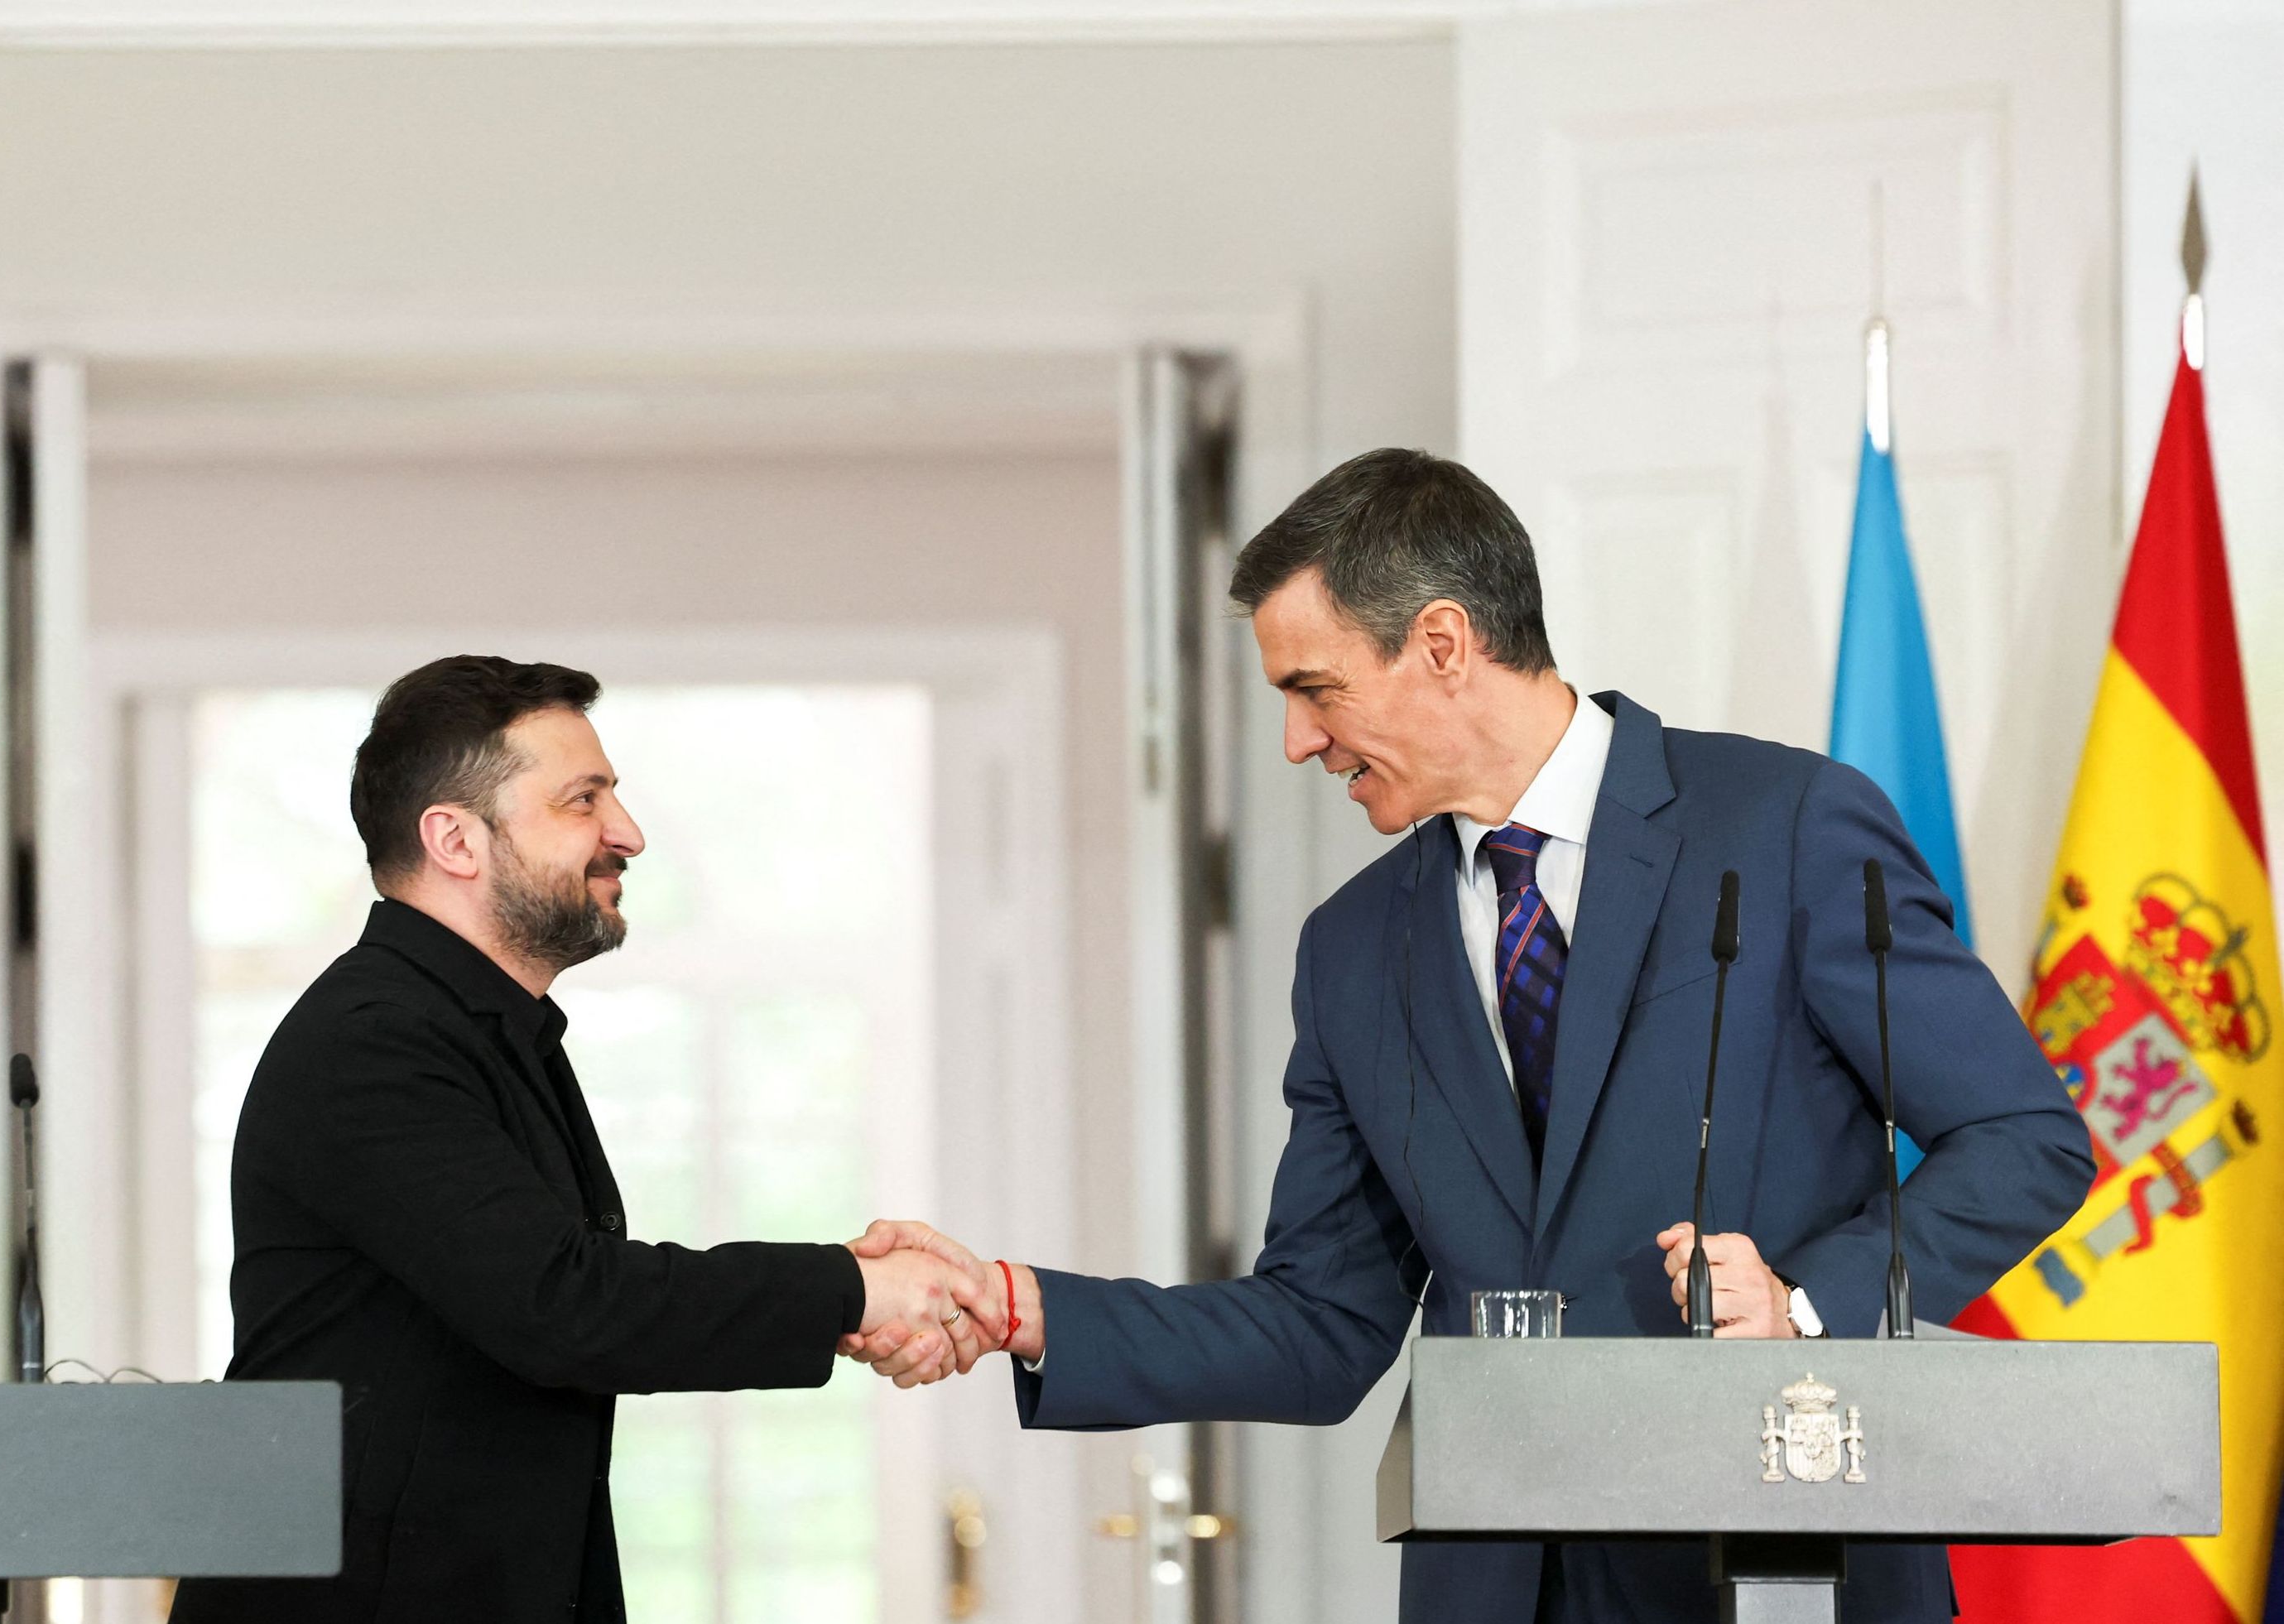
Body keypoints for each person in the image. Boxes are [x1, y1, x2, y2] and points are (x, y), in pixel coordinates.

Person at [849, 449, 2094, 1623]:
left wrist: (1807, 1307)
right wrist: (1018, 1306)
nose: (1297, 741)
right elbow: (1320, 1322)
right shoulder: (1350, 949)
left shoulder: (1785, 826)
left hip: (1773, 1564)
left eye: (1314, 689)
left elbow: (2023, 1139)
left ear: (1441, 643)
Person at [169, 656, 984, 1624]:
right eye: (581, 800)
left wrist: (846, 1290)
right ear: (455, 840)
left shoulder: (480, 1029)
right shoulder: (374, 1040)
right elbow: (564, 1306)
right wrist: (853, 1289)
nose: (626, 833)